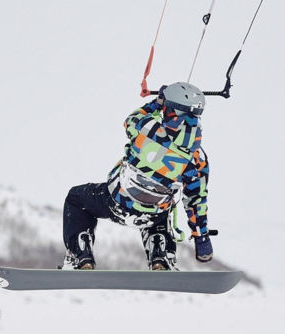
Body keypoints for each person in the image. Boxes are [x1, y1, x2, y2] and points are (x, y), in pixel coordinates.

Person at [62, 82, 213, 271]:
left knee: (76, 199)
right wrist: (202, 239)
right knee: (161, 210)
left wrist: (157, 103)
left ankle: (81, 258)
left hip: (116, 203)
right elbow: (195, 201)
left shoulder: (148, 128)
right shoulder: (197, 159)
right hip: (153, 214)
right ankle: (160, 257)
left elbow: (131, 119)